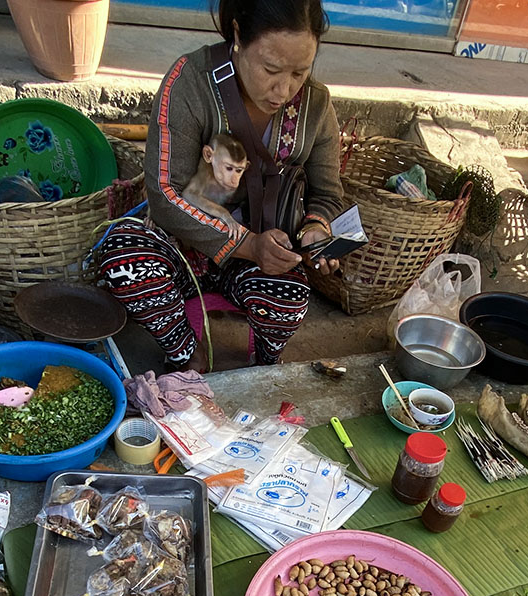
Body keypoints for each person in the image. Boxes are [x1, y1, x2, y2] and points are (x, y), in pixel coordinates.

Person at [99, 0, 344, 371]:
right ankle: (186, 356)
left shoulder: (315, 104)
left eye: (300, 72)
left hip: (263, 255)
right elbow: (165, 194)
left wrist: (315, 230)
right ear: (237, 36)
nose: (284, 89)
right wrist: (247, 245)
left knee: (291, 297)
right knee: (122, 254)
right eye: (271, 69)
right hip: (182, 249)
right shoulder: (192, 81)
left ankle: (263, 368)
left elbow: (327, 194)